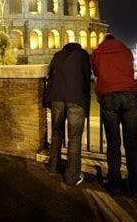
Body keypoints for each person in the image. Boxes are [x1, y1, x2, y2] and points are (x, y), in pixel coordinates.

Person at [91, 33, 137, 196]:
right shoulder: (126, 51)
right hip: (130, 95)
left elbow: (97, 74)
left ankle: (115, 185)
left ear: (103, 41)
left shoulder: (97, 54)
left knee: (113, 144)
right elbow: (129, 70)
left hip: (109, 96)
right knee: (132, 144)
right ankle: (136, 188)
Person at [45, 42, 91, 186]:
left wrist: (47, 100)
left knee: (57, 133)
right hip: (76, 99)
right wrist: (87, 103)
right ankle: (72, 176)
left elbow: (50, 76)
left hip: (57, 98)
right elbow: (86, 78)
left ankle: (53, 167)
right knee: (75, 138)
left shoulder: (57, 55)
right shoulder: (82, 55)